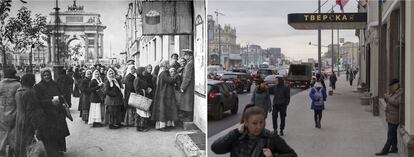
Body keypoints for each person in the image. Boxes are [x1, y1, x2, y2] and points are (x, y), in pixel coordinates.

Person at [211, 104, 297, 157]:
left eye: (261, 122)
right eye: (254, 123)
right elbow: (215, 148)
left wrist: (273, 156)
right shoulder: (237, 137)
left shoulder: (271, 137)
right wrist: (235, 133)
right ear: (246, 122)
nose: (259, 127)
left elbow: (293, 155)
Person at [34, 69, 70, 157]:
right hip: (47, 114)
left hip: (57, 112)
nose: (47, 77)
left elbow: (61, 94)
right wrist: (50, 102)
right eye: (45, 75)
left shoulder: (54, 84)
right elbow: (37, 101)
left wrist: (61, 99)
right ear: (42, 76)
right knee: (49, 135)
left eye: (48, 75)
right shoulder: (38, 86)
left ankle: (58, 149)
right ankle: (51, 152)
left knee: (58, 133)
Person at [14, 73, 46, 157]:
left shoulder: (18, 92)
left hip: (19, 120)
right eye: (33, 80)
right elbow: (32, 111)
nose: (35, 81)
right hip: (28, 122)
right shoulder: (30, 93)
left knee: (21, 143)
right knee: (30, 144)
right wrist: (36, 126)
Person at [375, 79, 403, 156]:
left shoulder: (400, 93)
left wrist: (388, 97)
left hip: (395, 117)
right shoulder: (394, 93)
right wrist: (386, 98)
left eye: (392, 86)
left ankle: (385, 150)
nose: (391, 88)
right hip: (391, 116)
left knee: (390, 135)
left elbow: (397, 103)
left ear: (397, 85)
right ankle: (394, 148)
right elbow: (390, 101)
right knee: (392, 134)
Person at [151, 61, 179, 131]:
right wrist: (176, 75)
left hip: (165, 93)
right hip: (164, 94)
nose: (169, 65)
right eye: (168, 64)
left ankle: (166, 124)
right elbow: (170, 80)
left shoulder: (164, 73)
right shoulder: (163, 73)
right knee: (163, 109)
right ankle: (162, 126)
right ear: (165, 66)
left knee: (166, 109)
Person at [0, 67, 20, 156]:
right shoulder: (18, 85)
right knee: (14, 133)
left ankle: (2, 150)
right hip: (14, 111)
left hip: (2, 112)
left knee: (3, 132)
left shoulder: (0, 84)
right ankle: (13, 150)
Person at [179, 49, 195, 122]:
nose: (184, 56)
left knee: (188, 102)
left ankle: (189, 117)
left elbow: (187, 77)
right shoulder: (190, 62)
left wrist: (183, 87)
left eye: (185, 55)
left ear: (189, 55)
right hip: (189, 86)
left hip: (188, 86)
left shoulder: (189, 64)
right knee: (187, 101)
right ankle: (188, 116)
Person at [134, 67, 151, 132]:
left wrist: (148, 89)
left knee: (144, 112)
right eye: (143, 71)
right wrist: (146, 91)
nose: (144, 72)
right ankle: (139, 127)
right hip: (140, 98)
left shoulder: (143, 78)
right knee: (140, 113)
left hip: (144, 97)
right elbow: (137, 89)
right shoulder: (137, 79)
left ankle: (143, 126)